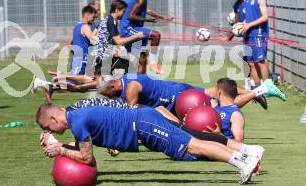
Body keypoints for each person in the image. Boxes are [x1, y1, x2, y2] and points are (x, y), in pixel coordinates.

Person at [36, 103, 262, 185]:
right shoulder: (75, 114)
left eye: (47, 128)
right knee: (195, 143)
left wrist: (60, 150)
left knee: (194, 145)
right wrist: (58, 144)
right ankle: (246, 159)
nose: (48, 131)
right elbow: (85, 151)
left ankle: (243, 162)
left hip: (143, 124)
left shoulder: (78, 120)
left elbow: (87, 158)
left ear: (54, 119)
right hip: (144, 121)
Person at [97, 74, 285, 114]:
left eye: (107, 94)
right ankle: (258, 90)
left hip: (176, 99)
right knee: (211, 92)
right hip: (175, 89)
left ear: (113, 88)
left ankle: (260, 90)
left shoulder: (130, 89)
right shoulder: (122, 78)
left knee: (219, 110)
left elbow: (132, 114)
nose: (108, 97)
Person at [223, 0, 267, 109]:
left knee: (259, 61)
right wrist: (229, 36)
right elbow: (237, 24)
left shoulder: (248, 2)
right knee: (249, 62)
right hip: (247, 35)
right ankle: (254, 87)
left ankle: (265, 85)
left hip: (256, 33)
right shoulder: (237, 5)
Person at [120, 0, 173, 74]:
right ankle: (153, 63)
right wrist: (149, 20)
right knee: (156, 35)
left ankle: (138, 84)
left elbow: (148, 11)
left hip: (135, 29)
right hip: (128, 29)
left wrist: (163, 17)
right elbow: (131, 16)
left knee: (142, 59)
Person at [240, 0, 274, 89]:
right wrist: (244, 23)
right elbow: (249, 15)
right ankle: (257, 88)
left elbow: (265, 17)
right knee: (251, 63)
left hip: (258, 34)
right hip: (248, 34)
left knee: (260, 61)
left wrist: (249, 25)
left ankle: (268, 87)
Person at [70, 5, 97, 75]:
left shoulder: (77, 26)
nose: (93, 19)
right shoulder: (85, 26)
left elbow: (71, 42)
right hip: (82, 61)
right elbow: (92, 40)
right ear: (87, 15)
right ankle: (50, 84)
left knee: (79, 83)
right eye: (93, 17)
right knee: (72, 82)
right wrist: (97, 30)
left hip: (77, 59)